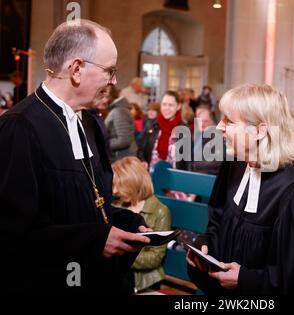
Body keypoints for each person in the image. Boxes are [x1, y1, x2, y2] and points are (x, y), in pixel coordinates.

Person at [0, 20, 152, 295]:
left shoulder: (91, 123)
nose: (114, 81)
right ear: (77, 69)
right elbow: (12, 234)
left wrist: (125, 222)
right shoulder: (19, 126)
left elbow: (90, 200)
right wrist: (95, 240)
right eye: (109, 70)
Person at [186, 84, 294, 295]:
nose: (219, 127)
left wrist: (247, 280)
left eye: (229, 120)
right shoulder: (234, 165)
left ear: (259, 131)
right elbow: (217, 223)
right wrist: (205, 245)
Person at [112, 157, 171, 292]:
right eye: (113, 185)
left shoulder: (159, 211)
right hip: (118, 272)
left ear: (133, 183)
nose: (114, 191)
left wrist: (122, 257)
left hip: (139, 277)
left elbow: (155, 257)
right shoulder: (116, 206)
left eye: (119, 185)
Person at [138, 90, 187, 172]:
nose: (166, 108)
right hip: (151, 177)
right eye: (164, 104)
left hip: (174, 180)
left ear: (178, 106)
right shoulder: (153, 126)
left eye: (171, 105)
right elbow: (141, 151)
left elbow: (188, 162)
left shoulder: (185, 130)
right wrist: (143, 161)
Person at [105, 86, 138, 163]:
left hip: (122, 157)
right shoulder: (118, 109)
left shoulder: (119, 111)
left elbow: (124, 140)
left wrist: (103, 144)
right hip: (120, 156)